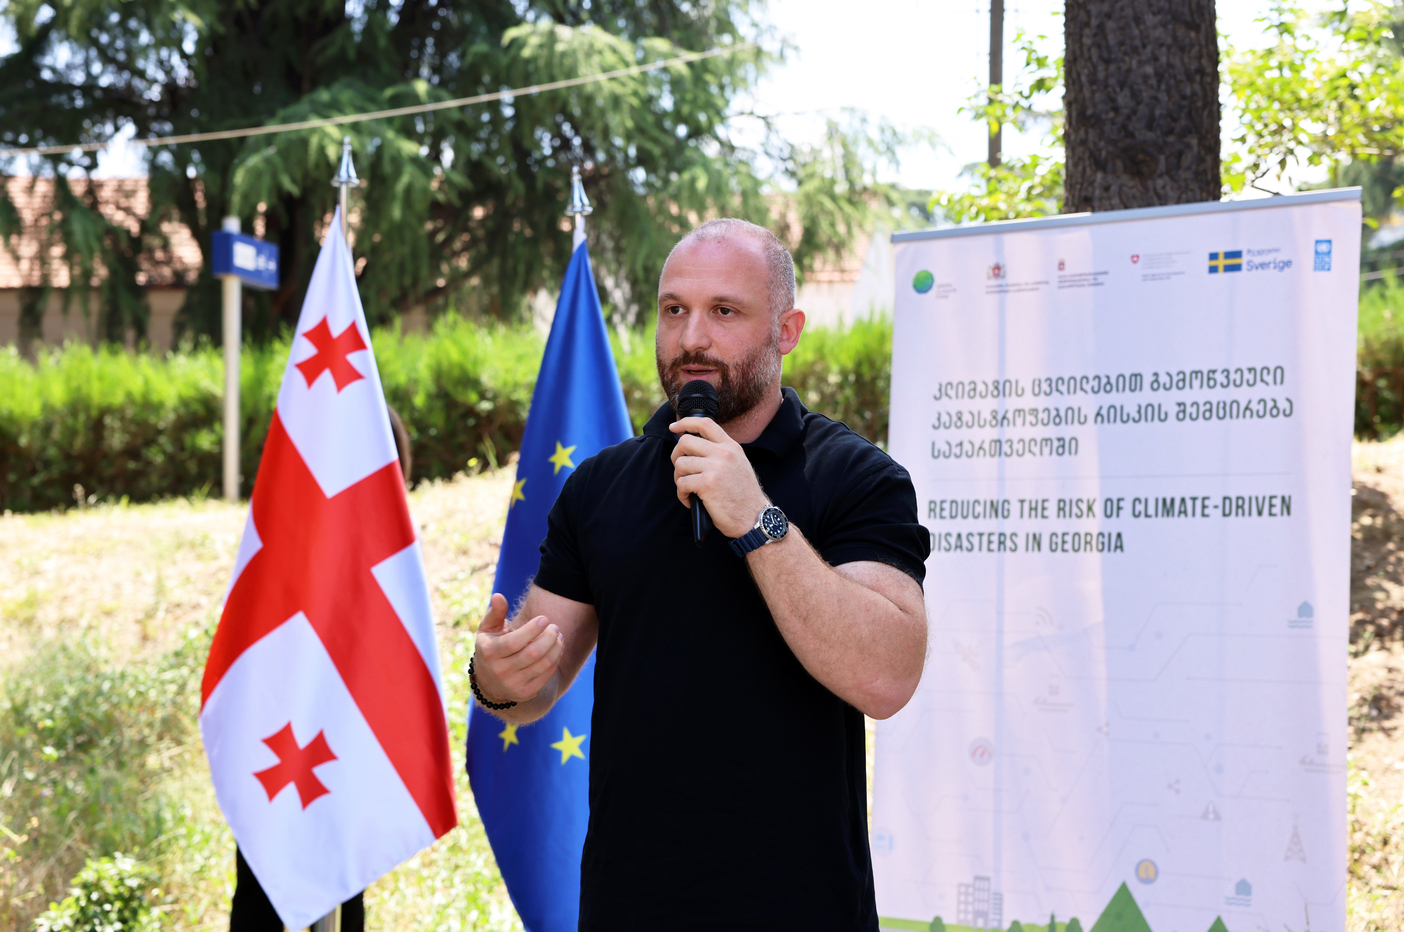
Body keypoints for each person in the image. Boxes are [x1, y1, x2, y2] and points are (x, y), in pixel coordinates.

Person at [470, 218, 930, 930]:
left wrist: (756, 518)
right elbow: (532, 685)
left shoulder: (856, 477)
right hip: (630, 905)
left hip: (799, 907)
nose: (692, 338)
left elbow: (889, 677)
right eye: (674, 309)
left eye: (724, 311)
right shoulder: (599, 487)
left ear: (786, 331)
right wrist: (498, 680)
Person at [228, 405, 412, 932]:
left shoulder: (380, 567)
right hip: (277, 739)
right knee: (265, 884)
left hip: (336, 740)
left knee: (338, 883)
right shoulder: (281, 552)